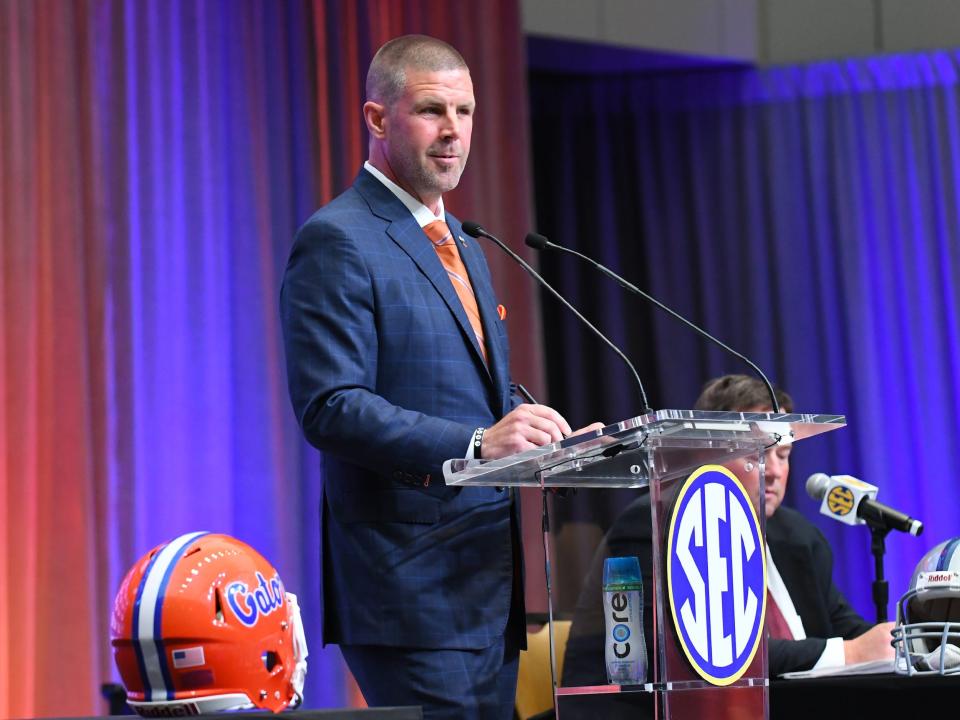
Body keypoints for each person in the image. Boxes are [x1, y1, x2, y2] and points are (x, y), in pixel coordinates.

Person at [280, 35, 596, 720]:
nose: (454, 131)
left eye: (466, 110)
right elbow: (330, 406)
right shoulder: (339, 239)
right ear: (376, 118)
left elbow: (475, 388)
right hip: (409, 586)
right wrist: (482, 443)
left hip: (487, 583)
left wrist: (544, 432)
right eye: (431, 110)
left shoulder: (465, 243)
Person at [562, 375, 895, 700]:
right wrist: (846, 653)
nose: (775, 472)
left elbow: (845, 627)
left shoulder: (796, 535)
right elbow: (700, 654)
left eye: (784, 454)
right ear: (705, 453)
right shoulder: (657, 524)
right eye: (757, 453)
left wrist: (916, 638)